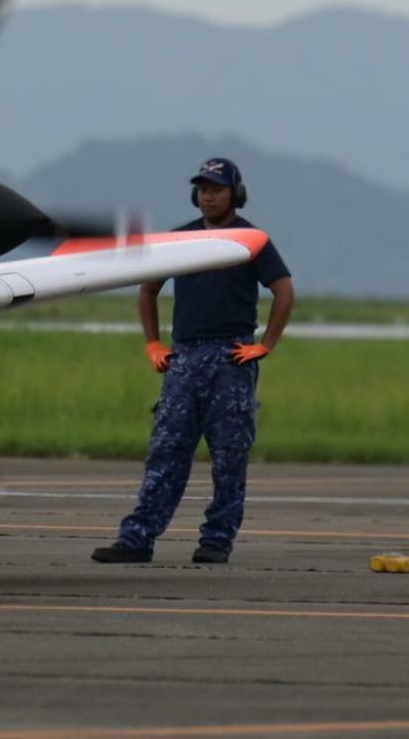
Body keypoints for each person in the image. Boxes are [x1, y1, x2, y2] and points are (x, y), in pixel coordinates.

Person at [92, 157, 295, 566]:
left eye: (216, 189)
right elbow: (148, 289)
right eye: (203, 188)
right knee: (166, 451)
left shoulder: (251, 239)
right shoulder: (179, 238)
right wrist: (154, 342)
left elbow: (284, 292)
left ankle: (217, 539)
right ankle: (138, 538)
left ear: (233, 193)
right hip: (184, 358)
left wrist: (265, 344)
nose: (208, 195)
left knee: (229, 456)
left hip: (230, 358)